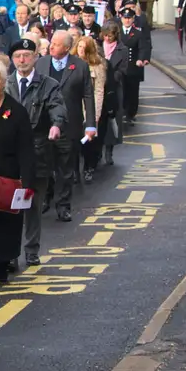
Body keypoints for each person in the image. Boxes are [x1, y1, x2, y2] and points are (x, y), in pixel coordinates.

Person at [9, 41, 65, 267]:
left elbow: (57, 107)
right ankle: (10, 254)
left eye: (26, 55)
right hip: (10, 155)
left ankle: (31, 250)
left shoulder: (48, 84)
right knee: (10, 207)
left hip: (37, 152)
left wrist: (56, 125)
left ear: (35, 57)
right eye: (18, 56)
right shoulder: (6, 83)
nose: (22, 60)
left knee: (32, 204)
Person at [0, 60, 33, 288]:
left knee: (5, 225)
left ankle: (2, 269)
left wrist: (28, 183)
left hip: (9, 177)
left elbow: (26, 150)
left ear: (4, 83)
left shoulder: (17, 111)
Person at [44, 31, 97, 222]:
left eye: (56, 44)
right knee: (46, 166)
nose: (51, 47)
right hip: (45, 125)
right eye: (51, 43)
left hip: (69, 125)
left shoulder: (80, 66)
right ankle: (46, 198)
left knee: (65, 169)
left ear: (67, 47)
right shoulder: (41, 63)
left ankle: (63, 205)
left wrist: (90, 124)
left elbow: (88, 96)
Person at [73, 36, 109, 184]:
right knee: (75, 141)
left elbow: (99, 91)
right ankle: (75, 171)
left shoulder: (97, 66)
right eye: (79, 47)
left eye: (84, 48)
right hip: (75, 106)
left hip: (89, 107)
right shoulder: (72, 64)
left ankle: (89, 168)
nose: (81, 50)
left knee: (89, 141)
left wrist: (96, 113)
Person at [98, 19, 128, 167]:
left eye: (110, 36)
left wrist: (109, 78)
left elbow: (122, 70)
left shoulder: (122, 49)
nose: (107, 38)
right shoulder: (97, 47)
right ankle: (97, 151)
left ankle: (109, 151)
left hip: (114, 89)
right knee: (98, 119)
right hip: (97, 87)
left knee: (112, 120)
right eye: (105, 35)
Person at [117, 0, 153, 124]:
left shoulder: (138, 33)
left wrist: (141, 59)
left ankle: (130, 114)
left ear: (133, 19)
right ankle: (120, 112)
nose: (127, 20)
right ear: (121, 18)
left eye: (129, 18)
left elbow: (143, 47)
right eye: (125, 18)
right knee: (121, 91)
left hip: (133, 67)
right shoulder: (116, 33)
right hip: (119, 67)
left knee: (133, 92)